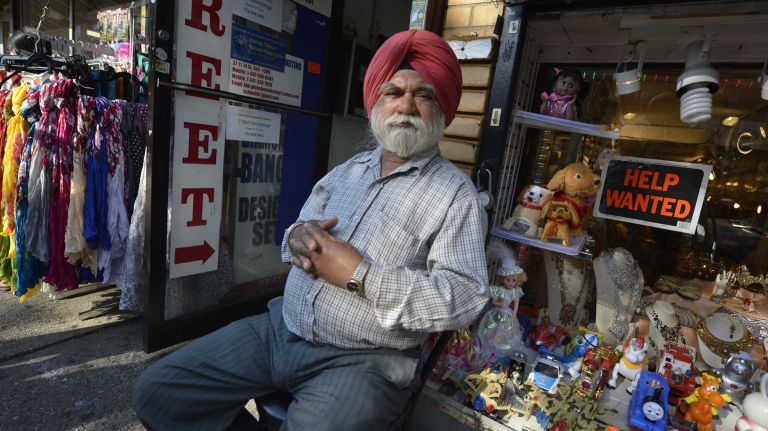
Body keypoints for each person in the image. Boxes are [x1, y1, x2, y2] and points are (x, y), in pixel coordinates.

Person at [132, 29, 490, 430]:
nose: (405, 105)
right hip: (280, 327)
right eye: (393, 92)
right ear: (376, 103)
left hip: (364, 360)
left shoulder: (454, 195)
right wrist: (297, 236)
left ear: (441, 110)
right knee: (159, 392)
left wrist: (362, 277)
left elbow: (466, 297)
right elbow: (297, 234)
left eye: (423, 95)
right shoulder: (345, 172)